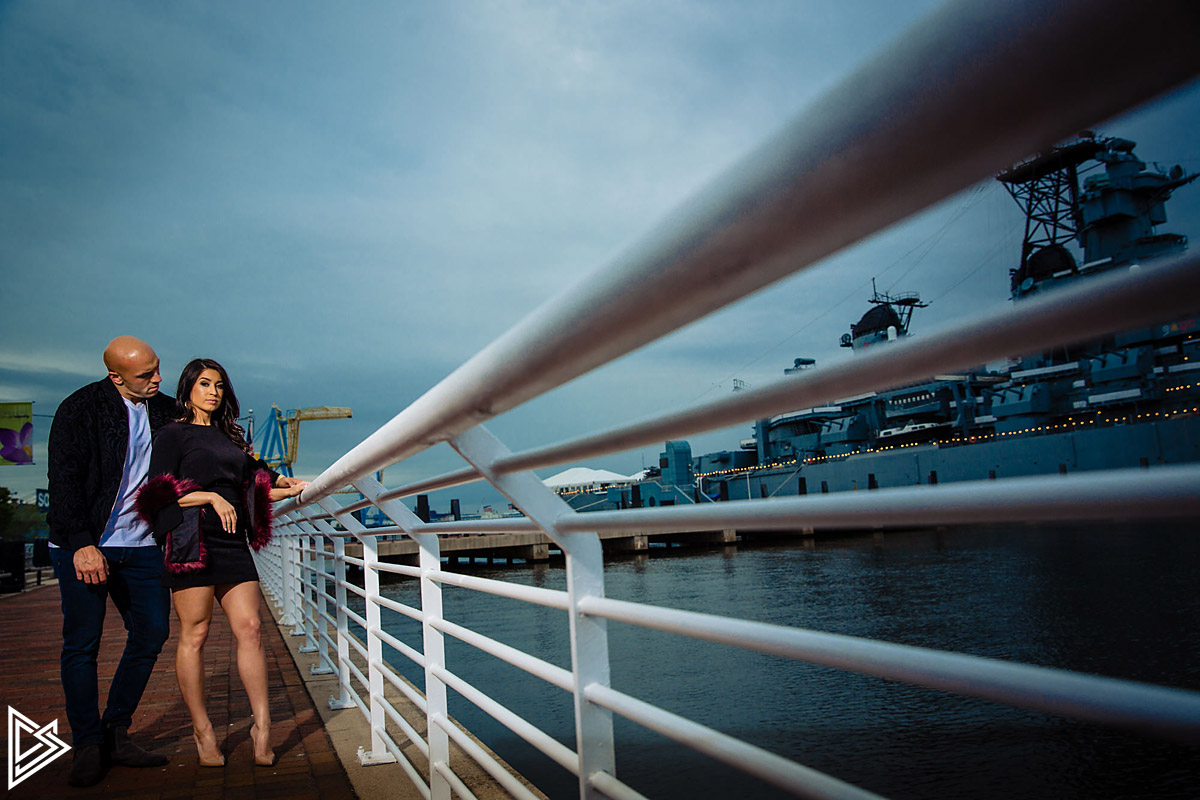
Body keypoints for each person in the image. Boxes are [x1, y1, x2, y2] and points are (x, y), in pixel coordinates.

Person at [135, 358, 306, 767]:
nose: (213, 392)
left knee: (251, 628)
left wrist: (295, 487)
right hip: (192, 539)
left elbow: (254, 484)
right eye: (205, 384)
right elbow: (157, 493)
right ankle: (202, 729)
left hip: (231, 541)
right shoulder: (173, 434)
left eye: (219, 386)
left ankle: (261, 727)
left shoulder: (232, 439)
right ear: (188, 388)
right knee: (195, 633)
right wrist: (209, 496)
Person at [47, 336, 176, 787]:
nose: (157, 379)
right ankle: (86, 743)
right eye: (146, 375)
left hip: (141, 545)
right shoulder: (79, 408)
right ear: (115, 376)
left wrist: (270, 480)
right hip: (84, 545)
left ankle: (115, 732)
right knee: (82, 643)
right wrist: (82, 543)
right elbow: (62, 479)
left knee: (153, 631)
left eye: (158, 369)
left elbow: (212, 447)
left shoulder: (165, 409)